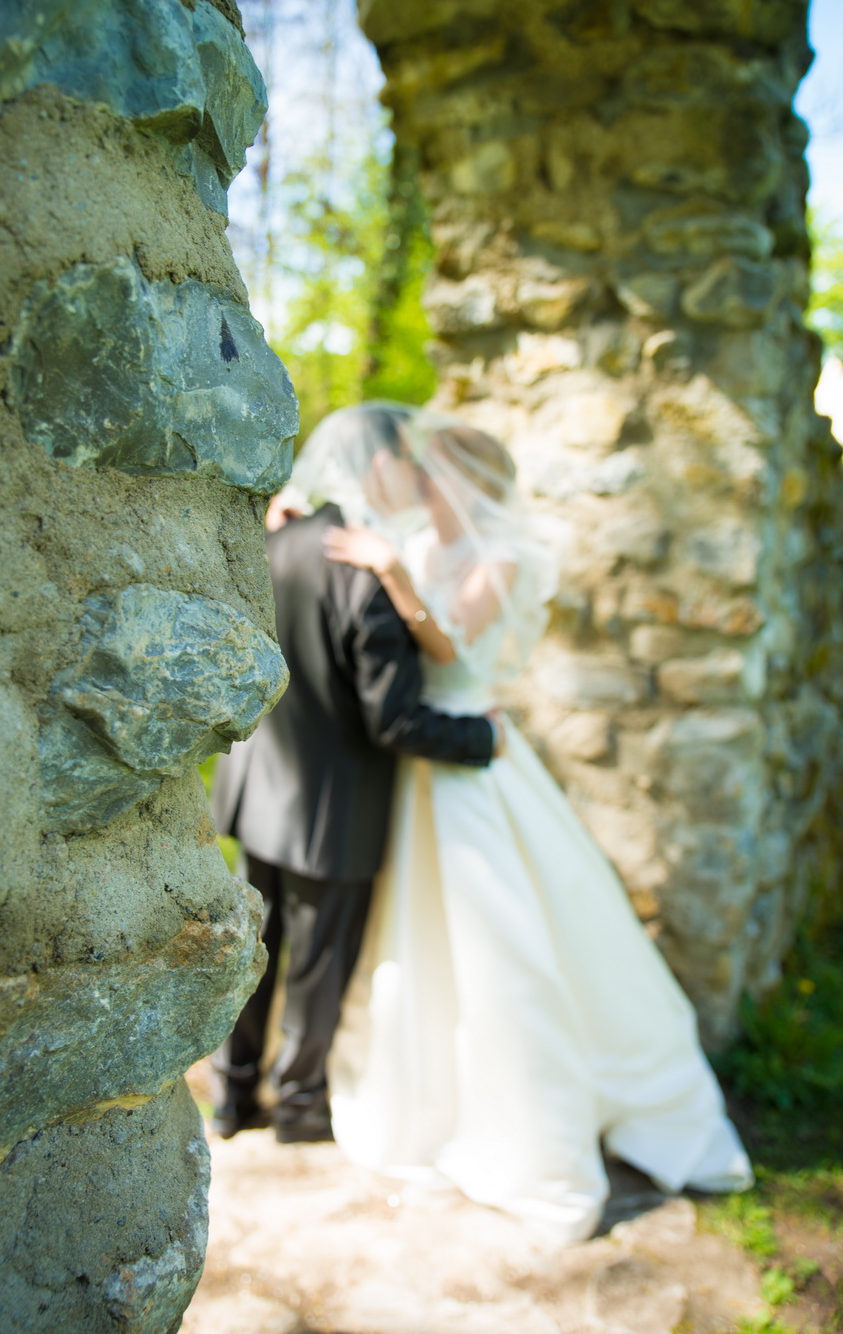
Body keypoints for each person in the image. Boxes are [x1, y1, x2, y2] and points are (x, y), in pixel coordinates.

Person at [290, 404, 754, 1245]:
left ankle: (538, 1122)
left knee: (502, 939)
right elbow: (356, 542)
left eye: (430, 474)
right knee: (418, 938)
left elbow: (452, 648)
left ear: (464, 484)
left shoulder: (498, 555)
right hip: (420, 760)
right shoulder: (418, 539)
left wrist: (395, 573)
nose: (416, 483)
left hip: (472, 758)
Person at [209, 404, 500, 1145]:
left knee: (256, 947)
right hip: (335, 802)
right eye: (405, 459)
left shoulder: (270, 542)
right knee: (320, 958)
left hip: (258, 788)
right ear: (378, 466)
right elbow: (394, 721)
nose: (413, 474)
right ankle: (300, 1104)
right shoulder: (362, 567)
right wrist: (483, 737)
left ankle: (233, 1096)